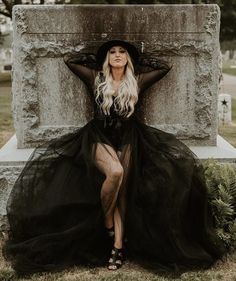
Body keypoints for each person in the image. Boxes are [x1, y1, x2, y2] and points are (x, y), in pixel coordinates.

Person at [3, 40, 225, 275]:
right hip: (98, 137)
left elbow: (165, 67)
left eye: (122, 52)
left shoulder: (137, 81)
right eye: (112, 52)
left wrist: (138, 61)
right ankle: (108, 223)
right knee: (115, 172)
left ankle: (117, 246)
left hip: (129, 138)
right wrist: (99, 60)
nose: (117, 55)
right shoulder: (95, 78)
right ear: (106, 58)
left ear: (128, 58)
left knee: (122, 192)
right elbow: (70, 60)